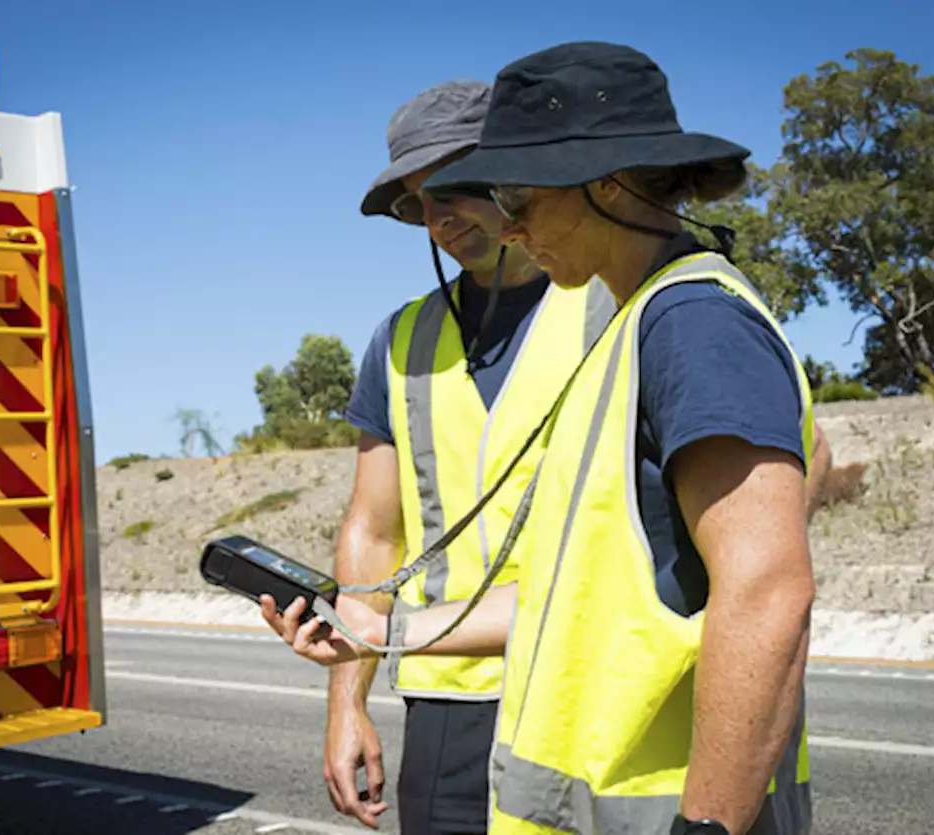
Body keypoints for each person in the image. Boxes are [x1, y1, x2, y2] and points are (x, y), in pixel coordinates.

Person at [267, 44, 834, 835]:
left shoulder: (688, 323)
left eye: (512, 191)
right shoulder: (627, 323)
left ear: (604, 182)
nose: (507, 217)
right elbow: (574, 587)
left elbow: (769, 590)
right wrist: (383, 630)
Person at [327, 79, 614, 834]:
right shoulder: (401, 340)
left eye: (453, 186)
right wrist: (346, 702)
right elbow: (374, 532)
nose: (437, 218)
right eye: (415, 203)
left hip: (589, 686)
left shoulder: (616, 302)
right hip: (448, 698)